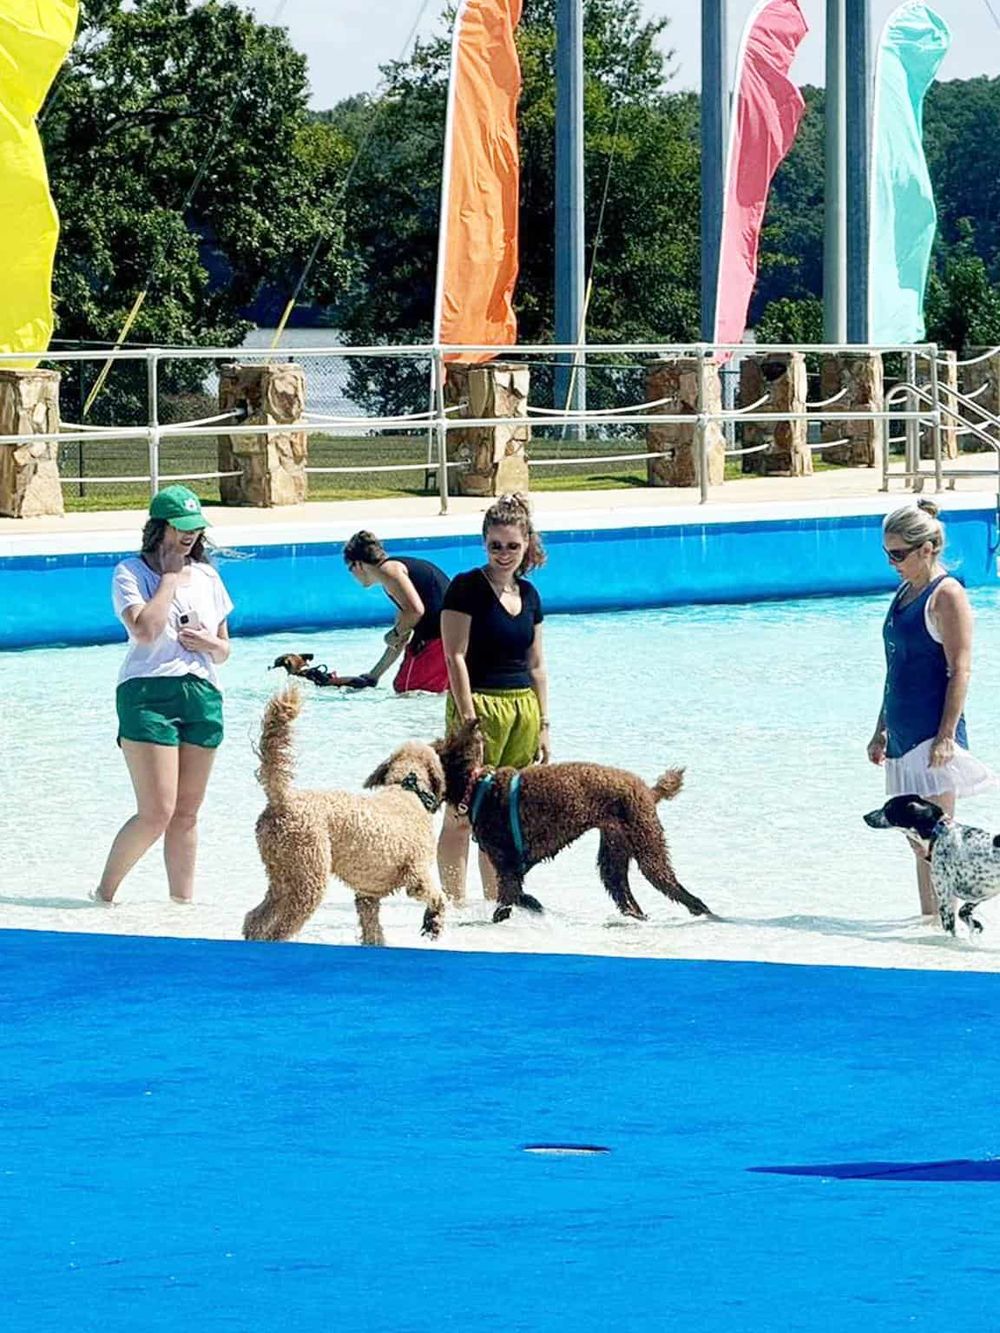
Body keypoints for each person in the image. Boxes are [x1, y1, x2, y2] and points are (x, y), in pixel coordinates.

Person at [94, 485, 233, 904]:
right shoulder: (130, 572)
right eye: (182, 526)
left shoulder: (209, 576)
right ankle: (103, 896)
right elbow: (146, 630)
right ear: (161, 527)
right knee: (156, 812)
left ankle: (181, 908)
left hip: (202, 693)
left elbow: (225, 650)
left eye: (196, 527)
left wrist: (208, 642)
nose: (191, 535)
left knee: (187, 815)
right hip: (146, 693)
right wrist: (170, 576)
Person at [867, 498, 997, 915]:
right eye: (887, 553)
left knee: (940, 845)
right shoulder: (906, 592)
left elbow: (960, 670)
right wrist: (881, 728)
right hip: (903, 734)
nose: (891, 562)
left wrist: (945, 737)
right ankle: (926, 926)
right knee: (915, 842)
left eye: (898, 554)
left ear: (927, 548)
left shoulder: (947, 595)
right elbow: (895, 668)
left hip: (931, 735)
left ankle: (944, 932)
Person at [437, 493, 550, 904]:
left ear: (526, 545)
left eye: (512, 546)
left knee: (502, 816)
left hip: (522, 710)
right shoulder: (466, 587)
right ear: (484, 543)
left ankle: (497, 902)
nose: (504, 554)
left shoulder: (531, 596)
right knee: (462, 812)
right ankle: (453, 903)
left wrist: (544, 725)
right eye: (495, 545)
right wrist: (469, 723)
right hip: (478, 706)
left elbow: (536, 665)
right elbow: (454, 656)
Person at [343, 531, 450, 693]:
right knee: (409, 688)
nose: (352, 575)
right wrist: (374, 675)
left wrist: (394, 632)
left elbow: (415, 611)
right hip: (451, 636)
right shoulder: (396, 573)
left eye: (350, 569)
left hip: (440, 639)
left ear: (358, 564)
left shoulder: (389, 570)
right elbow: (401, 638)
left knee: (408, 690)